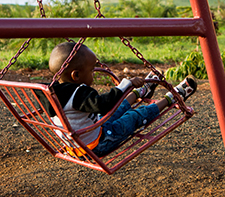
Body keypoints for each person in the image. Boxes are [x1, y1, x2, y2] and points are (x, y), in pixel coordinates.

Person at [48, 41, 197, 157]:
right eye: (92, 70)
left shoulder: (49, 91)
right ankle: (171, 99)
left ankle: (141, 92)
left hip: (83, 139)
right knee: (132, 116)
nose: (94, 73)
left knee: (114, 111)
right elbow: (104, 104)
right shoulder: (78, 94)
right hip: (97, 144)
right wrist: (127, 84)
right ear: (76, 76)